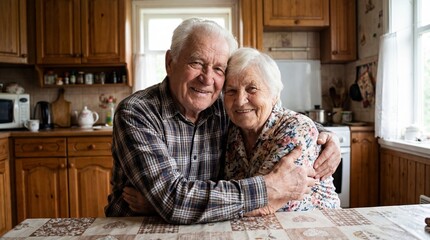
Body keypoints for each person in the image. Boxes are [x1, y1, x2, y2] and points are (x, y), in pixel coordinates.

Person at [105, 18, 341, 224]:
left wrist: (324, 137)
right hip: (137, 226)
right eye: (196, 62)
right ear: (170, 62)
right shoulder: (136, 113)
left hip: (209, 224)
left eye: (218, 68)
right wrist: (267, 189)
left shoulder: (224, 106)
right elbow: (172, 201)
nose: (207, 78)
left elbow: (273, 115)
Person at [223, 47, 341, 213]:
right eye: (231, 91)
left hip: (315, 227)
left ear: (274, 95)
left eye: (252, 88)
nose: (240, 101)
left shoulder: (295, 129)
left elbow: (267, 202)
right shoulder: (232, 131)